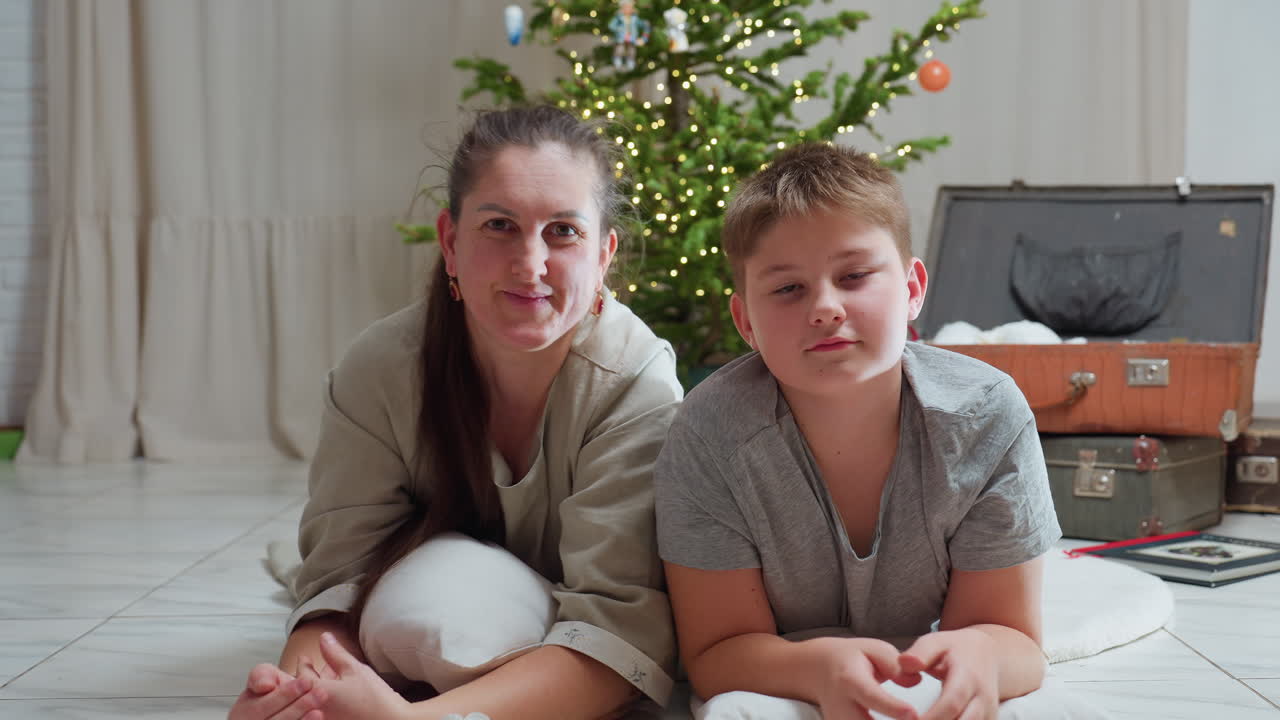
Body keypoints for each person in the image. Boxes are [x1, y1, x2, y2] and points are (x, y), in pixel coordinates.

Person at [229, 105, 683, 720]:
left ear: (604, 255)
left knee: (449, 603)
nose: (531, 264)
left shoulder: (638, 386)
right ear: (450, 241)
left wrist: (414, 719)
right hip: (438, 593)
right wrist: (296, 698)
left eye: (563, 231)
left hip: (555, 625)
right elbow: (338, 586)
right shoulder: (381, 369)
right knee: (431, 600)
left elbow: (622, 636)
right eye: (500, 225)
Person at [654, 143, 1081, 720]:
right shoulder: (709, 434)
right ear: (745, 321)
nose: (826, 307)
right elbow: (715, 653)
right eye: (788, 289)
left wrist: (981, 651)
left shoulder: (987, 416)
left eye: (854, 276)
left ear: (911, 289)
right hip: (791, 664)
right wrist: (817, 668)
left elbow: (1015, 640)